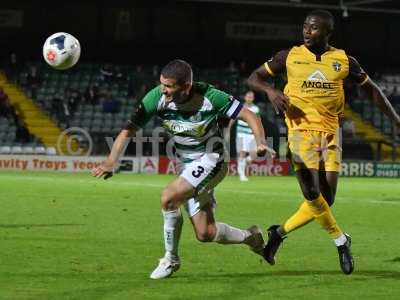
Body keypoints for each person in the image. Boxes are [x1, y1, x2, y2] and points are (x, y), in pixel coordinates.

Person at [247, 9, 400, 275]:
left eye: (314, 28)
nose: (307, 31)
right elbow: (254, 78)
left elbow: (372, 90)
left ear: (328, 32)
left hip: (331, 133)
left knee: (325, 201)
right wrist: (271, 91)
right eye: (305, 26)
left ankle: (278, 234)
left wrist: (396, 120)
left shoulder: (343, 60)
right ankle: (341, 240)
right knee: (311, 194)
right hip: (300, 133)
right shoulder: (289, 56)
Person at [92, 59, 275, 279]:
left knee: (169, 197)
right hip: (186, 164)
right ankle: (251, 237)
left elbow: (250, 115)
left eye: (169, 86)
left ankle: (170, 259)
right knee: (205, 233)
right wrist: (112, 160)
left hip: (212, 158)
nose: (163, 90)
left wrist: (261, 142)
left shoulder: (211, 97)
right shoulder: (155, 98)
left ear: (186, 86)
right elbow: (128, 129)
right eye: (162, 84)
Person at [235, 90, 261, 181]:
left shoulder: (256, 109)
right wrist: (228, 129)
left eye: (251, 97)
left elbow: (258, 121)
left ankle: (245, 162)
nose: (250, 98)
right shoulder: (240, 107)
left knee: (254, 154)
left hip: (251, 134)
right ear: (245, 97)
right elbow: (233, 118)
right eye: (248, 96)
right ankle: (242, 175)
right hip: (241, 134)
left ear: (253, 98)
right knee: (242, 153)